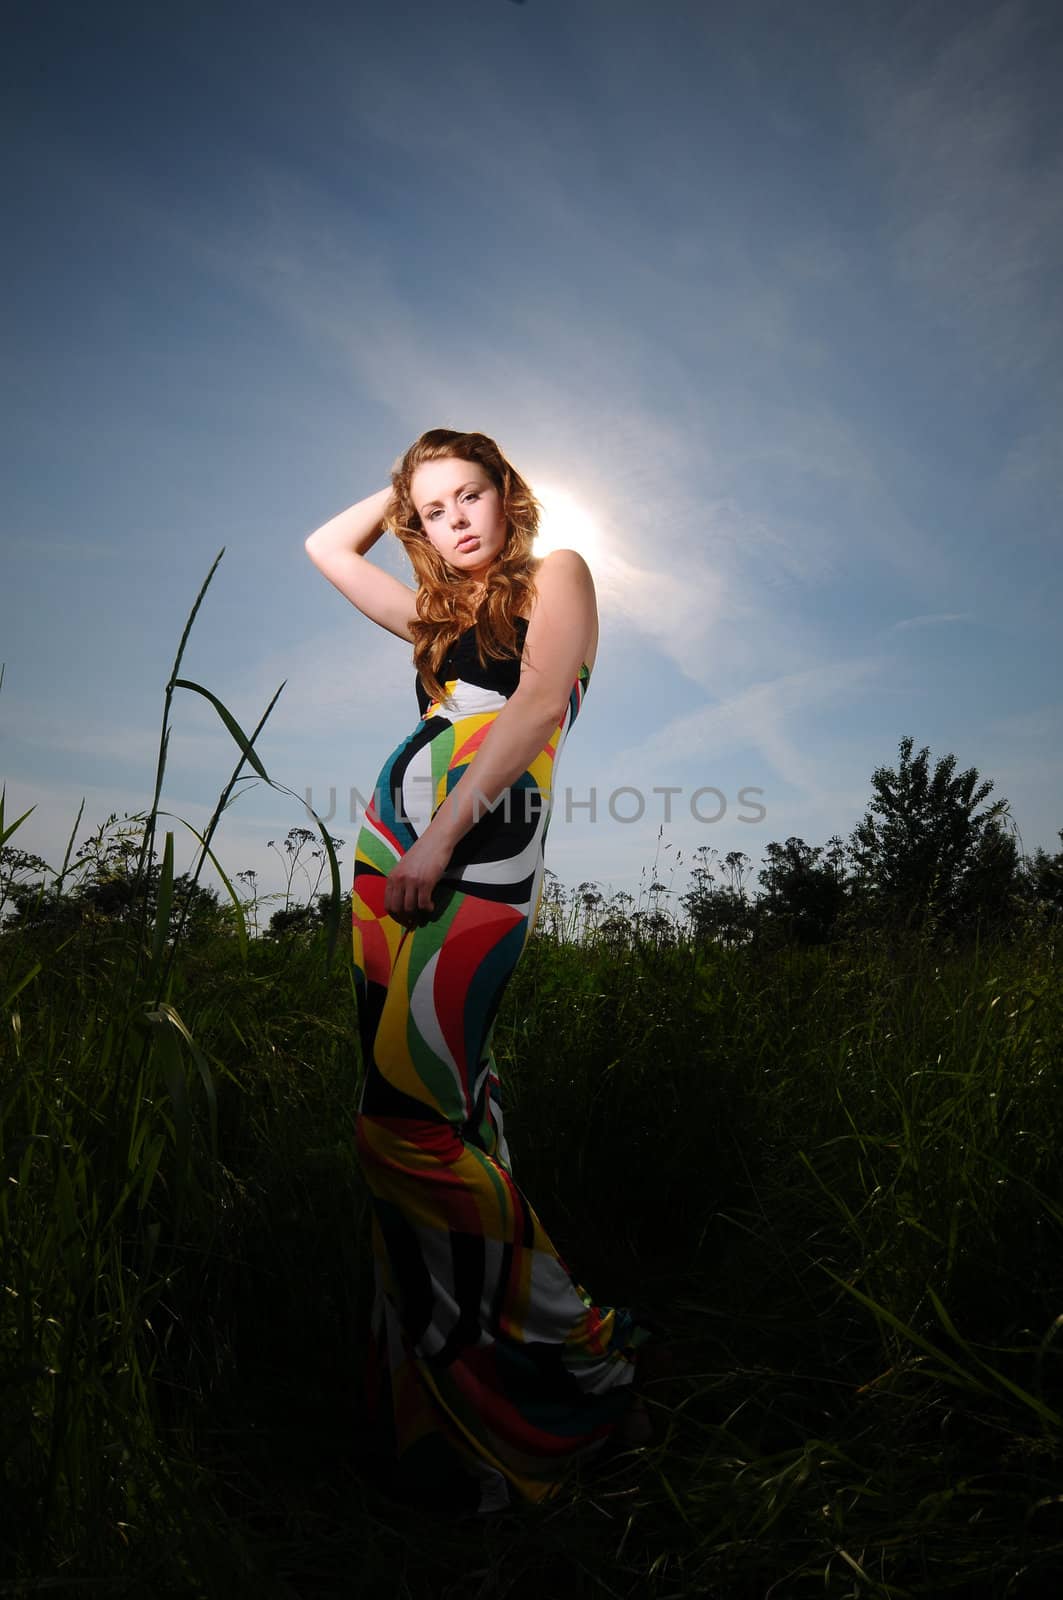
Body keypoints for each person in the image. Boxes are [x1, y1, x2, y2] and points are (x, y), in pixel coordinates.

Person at [304, 428, 654, 1514]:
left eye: (471, 493)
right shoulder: (435, 616)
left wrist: (442, 837)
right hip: (391, 852)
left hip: (470, 846)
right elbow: (322, 545)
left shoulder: (558, 575)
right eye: (433, 509)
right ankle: (452, 1410)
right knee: (435, 1106)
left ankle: (585, 1348)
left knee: (401, 1127)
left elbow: (539, 707)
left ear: (508, 493)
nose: (455, 520)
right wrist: (403, 487)